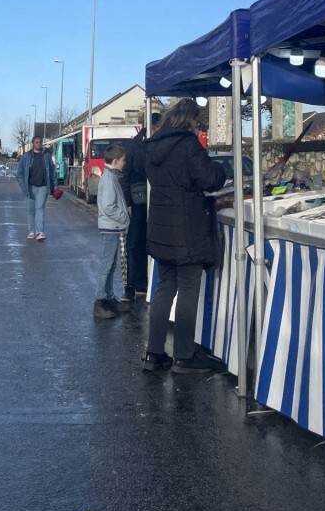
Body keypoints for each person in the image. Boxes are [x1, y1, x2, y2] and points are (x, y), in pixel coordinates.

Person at [142, 99, 226, 374]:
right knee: (189, 288)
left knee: (165, 287)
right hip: (187, 227)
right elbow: (211, 179)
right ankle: (184, 355)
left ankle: (154, 354)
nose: (199, 125)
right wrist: (219, 167)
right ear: (189, 119)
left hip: (161, 226)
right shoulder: (188, 144)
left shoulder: (153, 145)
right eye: (197, 120)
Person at [121, 112, 161, 301]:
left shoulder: (157, 144)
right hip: (139, 202)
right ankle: (134, 283)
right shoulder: (135, 145)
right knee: (136, 242)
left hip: (153, 200)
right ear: (152, 127)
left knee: (148, 241)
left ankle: (146, 281)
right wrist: (128, 201)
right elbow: (126, 174)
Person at [93, 144, 132, 320]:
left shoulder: (110, 176)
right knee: (107, 264)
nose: (125, 163)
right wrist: (124, 217)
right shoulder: (109, 179)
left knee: (111, 264)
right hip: (112, 227)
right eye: (123, 160)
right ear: (115, 161)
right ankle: (101, 299)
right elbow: (109, 206)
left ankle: (108, 297)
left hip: (113, 226)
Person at [16, 136, 56, 241]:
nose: (38, 144)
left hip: (43, 186)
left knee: (40, 208)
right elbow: (19, 173)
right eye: (36, 142)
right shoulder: (26, 156)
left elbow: (52, 171)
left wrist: (54, 185)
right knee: (30, 210)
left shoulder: (46, 156)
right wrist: (23, 187)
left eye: (40, 142)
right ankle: (31, 231)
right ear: (33, 143)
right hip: (29, 187)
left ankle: (40, 232)